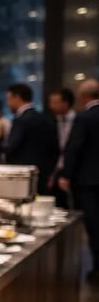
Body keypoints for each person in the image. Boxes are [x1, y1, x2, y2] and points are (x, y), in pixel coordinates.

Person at [59, 79, 99, 283]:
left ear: (84, 97)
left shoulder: (84, 118)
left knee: (93, 225)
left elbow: (74, 148)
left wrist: (66, 174)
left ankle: (97, 268)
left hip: (89, 181)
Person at [2, 83, 58, 195]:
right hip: (42, 173)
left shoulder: (21, 120)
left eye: (9, 99)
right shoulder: (46, 119)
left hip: (21, 175)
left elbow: (11, 147)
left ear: (17, 98)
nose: (8, 104)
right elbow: (55, 148)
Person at [48, 87, 76, 208]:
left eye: (55, 102)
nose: (51, 106)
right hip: (56, 168)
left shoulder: (79, 120)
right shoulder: (51, 121)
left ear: (65, 103)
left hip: (75, 169)